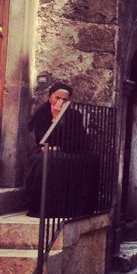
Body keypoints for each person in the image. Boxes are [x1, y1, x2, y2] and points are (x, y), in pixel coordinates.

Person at [24, 82, 90, 216]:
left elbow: (79, 138)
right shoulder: (41, 114)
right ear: (50, 98)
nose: (60, 102)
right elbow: (43, 140)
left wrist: (60, 147)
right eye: (57, 98)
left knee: (81, 162)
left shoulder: (74, 115)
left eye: (64, 100)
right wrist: (55, 118)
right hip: (46, 149)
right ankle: (43, 208)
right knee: (42, 162)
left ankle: (69, 208)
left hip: (67, 150)